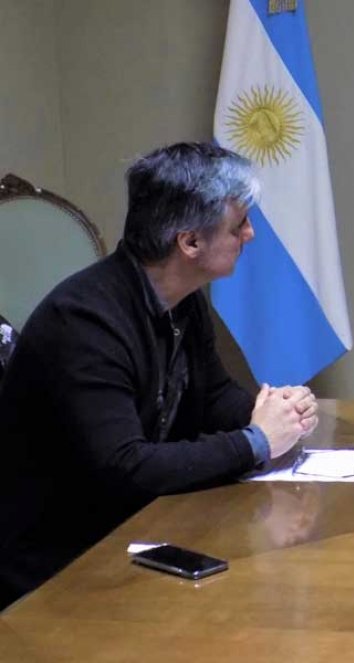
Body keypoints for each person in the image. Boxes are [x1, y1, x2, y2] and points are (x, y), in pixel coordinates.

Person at [0, 143, 317, 610]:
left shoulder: (182, 296)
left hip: (136, 529)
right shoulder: (85, 322)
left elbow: (212, 397)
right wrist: (256, 441)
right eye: (238, 225)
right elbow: (126, 467)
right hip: (57, 565)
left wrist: (271, 413)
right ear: (189, 243)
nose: (249, 234)